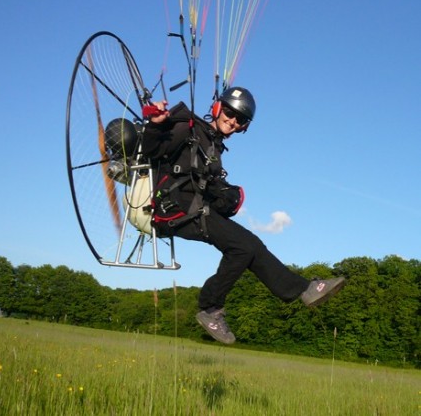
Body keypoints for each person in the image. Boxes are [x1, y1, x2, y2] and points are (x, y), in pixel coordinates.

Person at [141, 87, 345, 344]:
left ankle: (304, 290)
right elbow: (152, 152)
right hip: (175, 210)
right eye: (229, 112)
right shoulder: (189, 129)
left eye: (241, 119)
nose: (233, 121)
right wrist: (155, 125)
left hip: (195, 210)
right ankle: (210, 307)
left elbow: (203, 185)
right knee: (243, 247)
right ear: (217, 108)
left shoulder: (213, 145)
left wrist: (225, 195)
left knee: (252, 245)